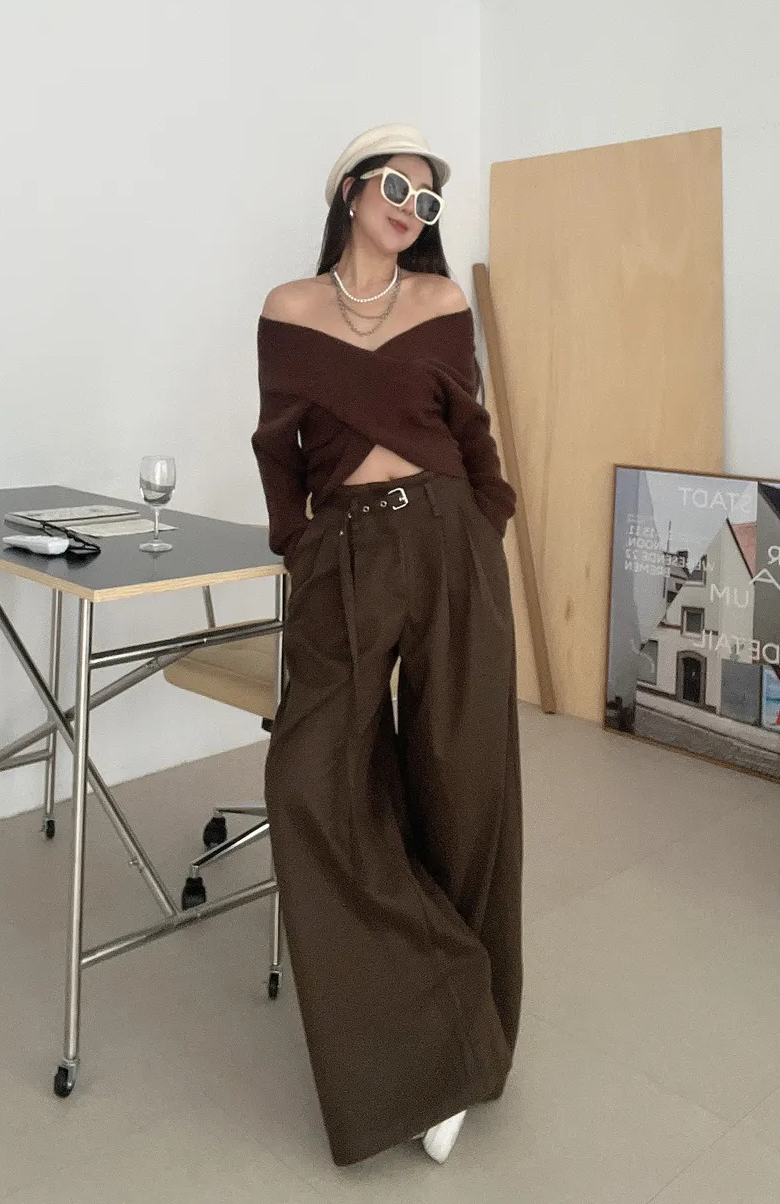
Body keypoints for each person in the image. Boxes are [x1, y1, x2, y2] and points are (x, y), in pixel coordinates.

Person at [252, 124, 523, 1168]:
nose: (414, 207)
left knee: (463, 776)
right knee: (310, 782)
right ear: (353, 192)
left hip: (450, 539)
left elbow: (473, 431)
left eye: (429, 199)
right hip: (345, 555)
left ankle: (464, 1044)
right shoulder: (289, 308)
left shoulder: (442, 302)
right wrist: (301, 545)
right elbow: (278, 447)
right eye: (399, 187)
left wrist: (483, 525)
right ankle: (441, 1008)